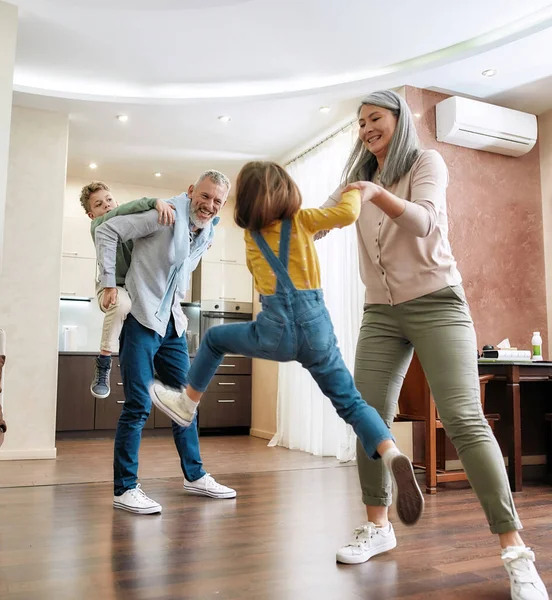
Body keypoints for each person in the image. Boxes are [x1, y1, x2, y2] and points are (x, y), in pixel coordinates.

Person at [319, 90, 547, 599]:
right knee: (367, 414)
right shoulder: (360, 181)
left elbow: (422, 221)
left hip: (437, 302)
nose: (365, 129)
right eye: (359, 123)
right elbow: (319, 221)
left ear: (398, 120)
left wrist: (373, 194)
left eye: (374, 118)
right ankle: (379, 525)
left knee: (463, 416)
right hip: (380, 312)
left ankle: (515, 552)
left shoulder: (426, 162)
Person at [151, 161, 425, 527]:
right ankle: (390, 452)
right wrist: (358, 192)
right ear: (288, 192)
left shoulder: (251, 237)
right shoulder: (304, 220)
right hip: (318, 330)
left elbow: (265, 278)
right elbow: (345, 215)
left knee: (215, 339)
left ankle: (187, 403)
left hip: (275, 331)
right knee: (352, 402)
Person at [95, 170, 237, 514]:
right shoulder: (163, 216)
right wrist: (109, 281)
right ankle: (124, 487)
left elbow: (179, 272)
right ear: (191, 192)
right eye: (205, 196)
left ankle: (195, 475)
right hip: (142, 319)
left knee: (185, 404)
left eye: (217, 201)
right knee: (138, 406)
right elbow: (106, 229)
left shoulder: (206, 232)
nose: (209, 205)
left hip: (172, 325)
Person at [79, 182, 176, 399]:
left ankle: (157, 364)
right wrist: (154, 202)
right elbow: (129, 208)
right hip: (112, 286)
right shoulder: (98, 226)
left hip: (137, 285)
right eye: (99, 204)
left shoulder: (132, 224)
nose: (106, 206)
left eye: (109, 200)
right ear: (91, 214)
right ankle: (103, 364)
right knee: (121, 304)